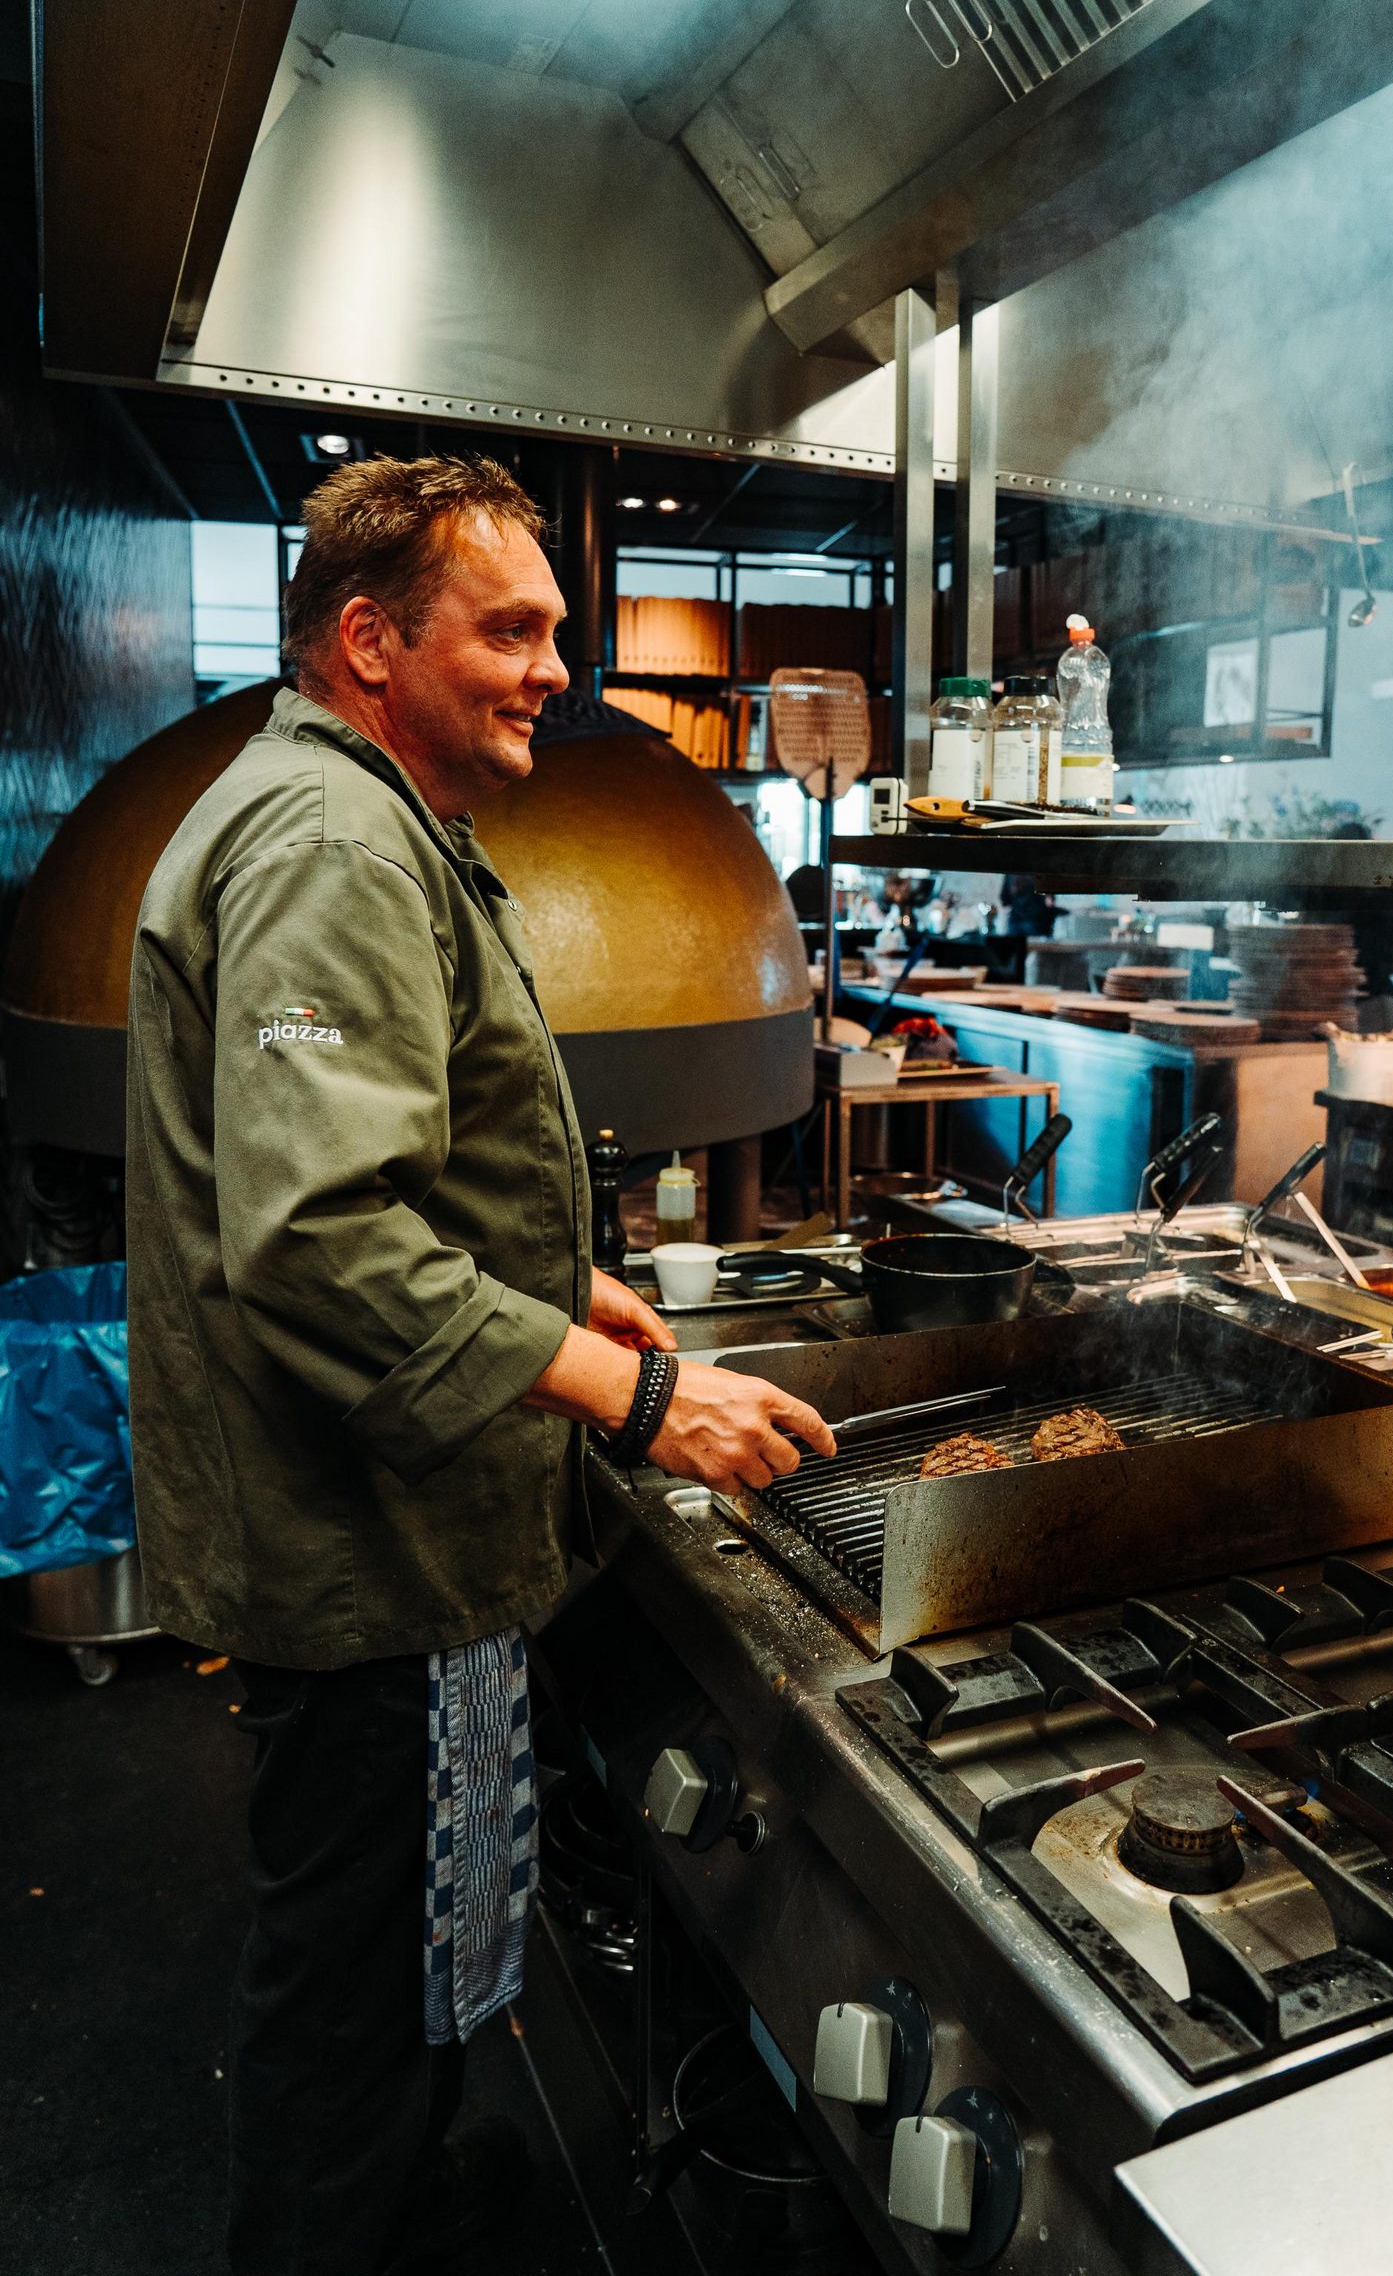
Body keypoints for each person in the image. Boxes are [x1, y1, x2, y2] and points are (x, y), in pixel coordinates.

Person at [124, 455, 834, 2276]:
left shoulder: (360, 815)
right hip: (357, 1556)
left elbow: (395, 1173)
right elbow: (318, 1239)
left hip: (379, 1535)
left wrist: (569, 1286)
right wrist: (645, 1400)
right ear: (370, 640)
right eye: (508, 631)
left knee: (393, 1970)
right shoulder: (331, 844)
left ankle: (403, 2207)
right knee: (349, 1998)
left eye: (557, 631)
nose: (550, 668)